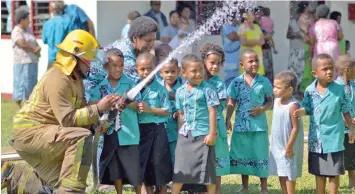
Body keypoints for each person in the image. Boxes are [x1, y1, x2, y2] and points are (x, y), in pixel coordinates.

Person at [10, 30, 119, 193]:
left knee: (59, 183)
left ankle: (13, 176)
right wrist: (98, 108)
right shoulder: (58, 78)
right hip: (31, 132)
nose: (90, 65)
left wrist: (105, 110)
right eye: (87, 61)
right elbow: (68, 119)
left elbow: (81, 112)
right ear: (74, 58)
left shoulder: (76, 80)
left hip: (49, 133)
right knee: (79, 138)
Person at [294, 54, 355, 194]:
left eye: (331, 68)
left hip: (334, 138)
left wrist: (351, 130)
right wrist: (302, 111)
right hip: (316, 140)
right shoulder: (310, 91)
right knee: (319, 173)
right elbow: (307, 107)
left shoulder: (339, 90)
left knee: (333, 173)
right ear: (315, 73)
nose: (329, 72)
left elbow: (346, 111)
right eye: (325, 69)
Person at [89, 48, 143, 194]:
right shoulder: (102, 86)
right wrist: (106, 102)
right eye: (114, 66)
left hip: (129, 133)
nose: (118, 69)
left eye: (121, 66)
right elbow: (91, 103)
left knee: (134, 169)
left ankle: (138, 191)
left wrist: (124, 102)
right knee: (115, 167)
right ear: (106, 66)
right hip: (110, 131)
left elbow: (137, 105)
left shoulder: (129, 83)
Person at [226, 49, 273, 194]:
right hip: (241, 126)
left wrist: (262, 109)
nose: (254, 63)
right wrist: (227, 119)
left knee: (261, 155)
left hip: (259, 126)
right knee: (243, 155)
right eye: (250, 61)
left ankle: (264, 187)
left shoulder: (264, 81)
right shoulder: (236, 82)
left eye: (256, 60)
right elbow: (231, 102)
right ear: (242, 64)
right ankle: (244, 187)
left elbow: (270, 101)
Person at [172, 54, 219, 194]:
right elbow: (181, 114)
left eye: (200, 70)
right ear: (184, 73)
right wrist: (180, 134)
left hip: (204, 134)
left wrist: (212, 133)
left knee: (208, 171)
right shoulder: (180, 91)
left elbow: (212, 111)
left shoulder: (208, 89)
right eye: (194, 71)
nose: (198, 74)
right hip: (186, 134)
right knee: (180, 168)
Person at [85, 16, 158, 100]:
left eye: (154, 40)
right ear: (135, 38)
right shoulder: (124, 55)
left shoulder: (133, 45)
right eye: (148, 41)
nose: (152, 45)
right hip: (92, 93)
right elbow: (143, 83)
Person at [136, 52, 172, 194]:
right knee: (143, 162)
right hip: (140, 130)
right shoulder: (135, 87)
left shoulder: (160, 89)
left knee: (159, 162)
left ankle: (162, 189)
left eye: (149, 69)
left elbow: (167, 111)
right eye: (142, 69)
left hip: (157, 130)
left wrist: (150, 109)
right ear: (136, 69)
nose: (146, 72)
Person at [201, 44, 230, 194]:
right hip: (200, 125)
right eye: (212, 63)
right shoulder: (197, 80)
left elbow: (219, 105)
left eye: (218, 63)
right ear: (204, 62)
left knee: (217, 159)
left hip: (216, 125)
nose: (215, 66)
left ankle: (217, 190)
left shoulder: (219, 83)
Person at [269, 71, 304, 194]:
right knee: (281, 171)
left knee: (289, 173)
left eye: (278, 87)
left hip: (289, 144)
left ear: (290, 89)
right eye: (274, 86)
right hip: (277, 144)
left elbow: (296, 128)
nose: (275, 90)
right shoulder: (276, 101)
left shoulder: (293, 105)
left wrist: (289, 147)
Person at [11, 7, 41, 108]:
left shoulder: (28, 30)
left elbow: (33, 42)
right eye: (28, 19)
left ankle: (29, 107)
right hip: (23, 63)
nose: (29, 21)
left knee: (31, 84)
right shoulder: (16, 31)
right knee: (22, 85)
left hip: (32, 61)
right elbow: (22, 44)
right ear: (22, 20)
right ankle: (20, 108)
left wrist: (38, 48)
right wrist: (34, 49)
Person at [334, 55, 355, 189]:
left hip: (353, 128)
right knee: (343, 155)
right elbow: (334, 107)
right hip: (341, 129)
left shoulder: (354, 85)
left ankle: (352, 181)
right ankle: (338, 181)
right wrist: (345, 119)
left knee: (352, 154)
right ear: (348, 70)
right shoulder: (335, 87)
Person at [159, 58, 182, 167]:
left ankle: (177, 182)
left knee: (176, 157)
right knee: (161, 157)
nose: (170, 75)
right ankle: (162, 184)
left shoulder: (183, 87)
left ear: (178, 71)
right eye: (166, 72)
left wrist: (180, 112)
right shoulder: (157, 87)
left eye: (173, 71)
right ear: (160, 72)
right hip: (160, 129)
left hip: (176, 131)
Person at [286, 1, 311, 98]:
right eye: (307, 7)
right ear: (304, 8)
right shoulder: (293, 21)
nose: (309, 10)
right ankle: (292, 90)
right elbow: (288, 35)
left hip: (303, 47)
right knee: (293, 69)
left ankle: (300, 90)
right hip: (295, 48)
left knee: (302, 69)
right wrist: (297, 34)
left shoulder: (308, 20)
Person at [42, 1, 70, 68]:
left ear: (51, 10)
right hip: (63, 57)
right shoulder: (66, 23)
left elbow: (44, 40)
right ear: (61, 9)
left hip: (51, 57)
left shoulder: (46, 24)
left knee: (50, 76)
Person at [238, 9, 265, 76]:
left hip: (258, 56)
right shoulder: (242, 27)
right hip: (247, 57)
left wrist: (251, 42)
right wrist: (257, 42)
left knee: (258, 79)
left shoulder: (257, 27)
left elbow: (262, 41)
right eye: (248, 14)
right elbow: (244, 42)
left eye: (252, 14)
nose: (250, 16)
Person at [221, 12, 241, 87]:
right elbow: (232, 37)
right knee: (229, 82)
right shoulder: (226, 26)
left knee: (239, 82)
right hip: (229, 60)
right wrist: (241, 36)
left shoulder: (239, 26)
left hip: (238, 59)